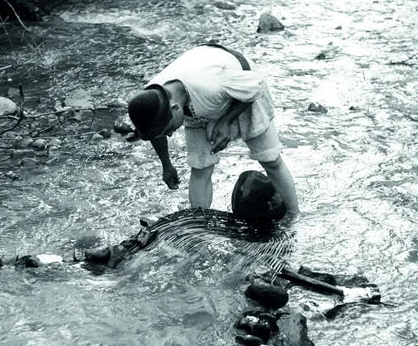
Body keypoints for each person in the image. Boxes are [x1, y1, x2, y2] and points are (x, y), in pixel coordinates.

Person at [127, 44, 299, 217]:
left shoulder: (212, 85)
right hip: (199, 102)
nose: (171, 134)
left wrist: (226, 121)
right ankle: (200, 225)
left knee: (270, 158)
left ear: (175, 108)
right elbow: (154, 131)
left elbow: (257, 84)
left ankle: (293, 216)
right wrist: (166, 165)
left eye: (170, 128)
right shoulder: (151, 99)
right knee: (200, 166)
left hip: (241, 84)